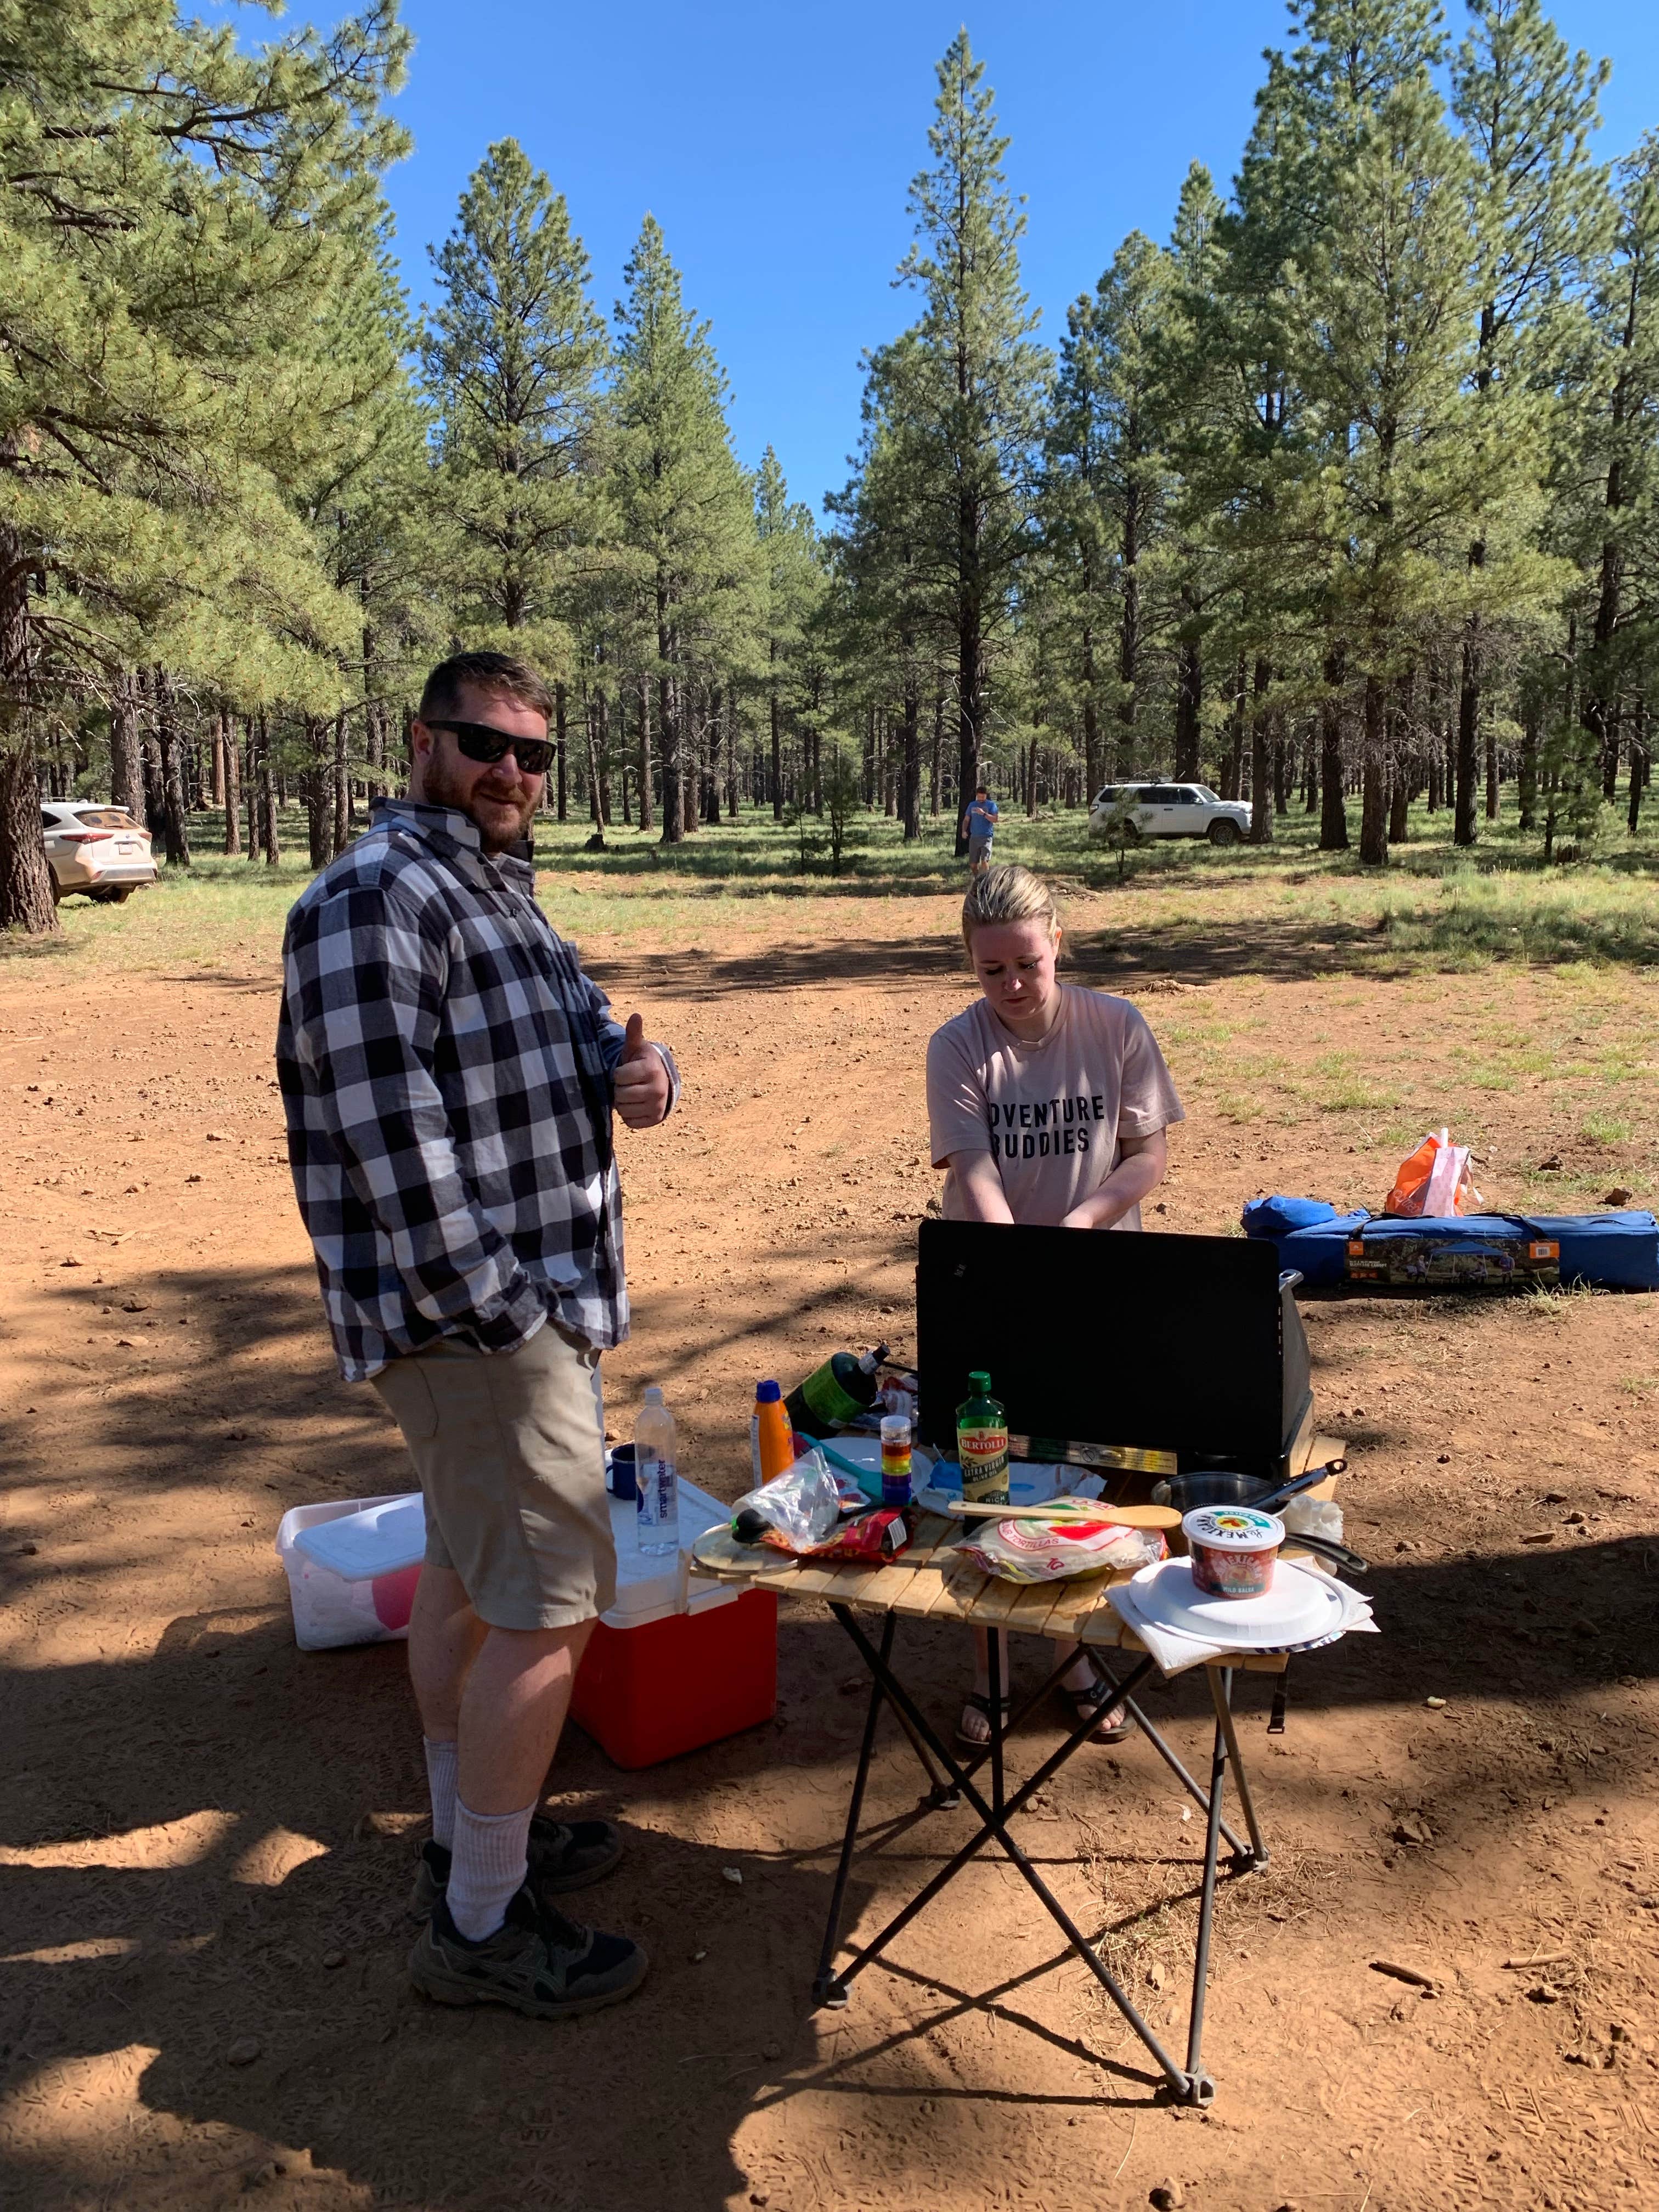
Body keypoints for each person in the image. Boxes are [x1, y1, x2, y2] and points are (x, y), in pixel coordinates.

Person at [276, 650, 679, 2021]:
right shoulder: (374, 897)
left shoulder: (501, 897)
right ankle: (481, 1923)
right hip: (481, 1325)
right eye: (483, 744)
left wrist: (644, 1076)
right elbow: (397, 1147)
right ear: (422, 740)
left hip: (523, 1310)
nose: (511, 772)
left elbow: (579, 1053)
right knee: (549, 1613)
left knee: (461, 1572)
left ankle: (469, 1839)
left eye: (532, 755)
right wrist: (508, 1317)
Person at [924, 862, 1183, 1746]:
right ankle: (992, 1668)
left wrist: (1077, 1227)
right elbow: (974, 1168)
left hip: (1100, 1281)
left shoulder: (1116, 1027)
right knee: (992, 1478)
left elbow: (1145, 1158)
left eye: (1027, 964)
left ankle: (1075, 1654)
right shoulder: (958, 1046)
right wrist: (1014, 1258)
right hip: (995, 1287)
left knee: (1089, 1485)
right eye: (991, 971)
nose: (1012, 987)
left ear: (1057, 943)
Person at [962, 784, 999, 873]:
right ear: (977, 795)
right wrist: (964, 830)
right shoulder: (972, 805)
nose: (981, 799)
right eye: (979, 797)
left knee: (984, 861)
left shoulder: (991, 805)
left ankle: (985, 881)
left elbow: (995, 820)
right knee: (973, 864)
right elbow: (966, 819)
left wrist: (984, 814)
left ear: (986, 795)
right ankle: (977, 879)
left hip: (987, 837)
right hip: (974, 837)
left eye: (983, 797)